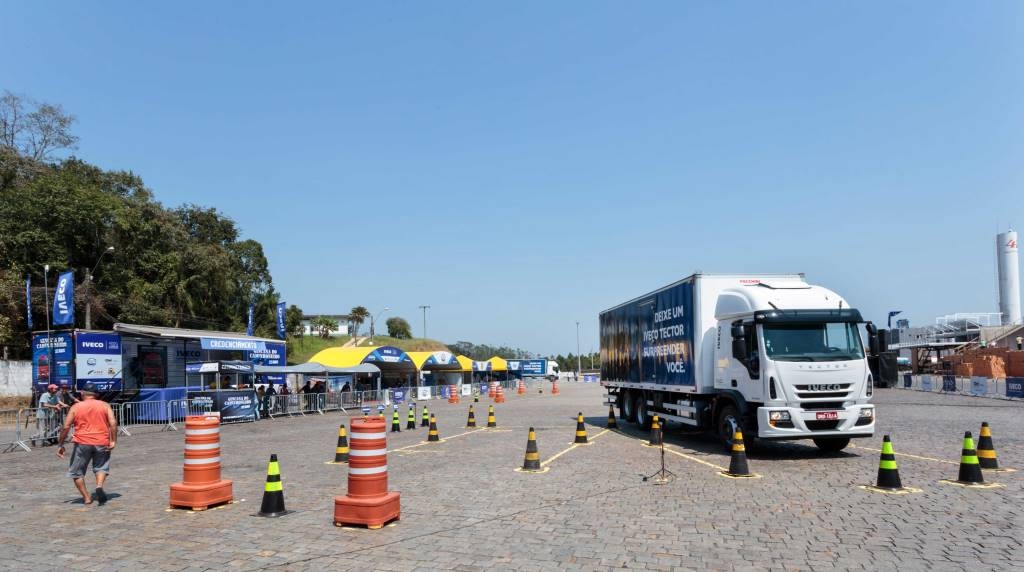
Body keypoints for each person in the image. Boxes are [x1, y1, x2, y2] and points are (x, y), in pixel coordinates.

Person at [56, 383, 117, 505]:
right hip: (102, 441)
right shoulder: (105, 405)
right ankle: (99, 486)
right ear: (97, 394)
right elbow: (113, 423)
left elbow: (66, 426)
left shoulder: (76, 407)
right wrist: (113, 440)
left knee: (76, 472)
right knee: (101, 467)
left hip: (82, 442)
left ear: (82, 393)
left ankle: (87, 498)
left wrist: (60, 444)